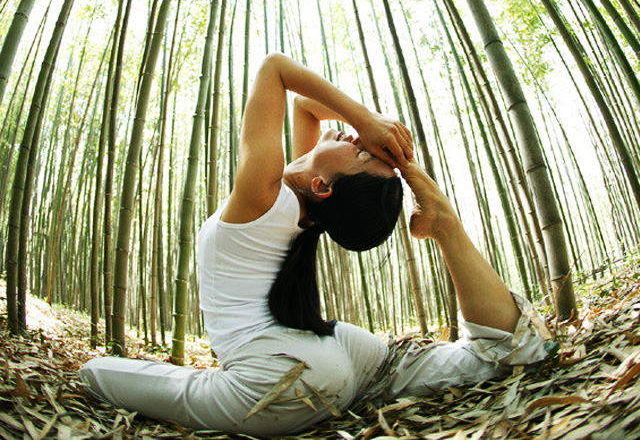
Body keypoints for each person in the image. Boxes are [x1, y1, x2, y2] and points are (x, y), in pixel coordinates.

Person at [80, 53, 551, 436]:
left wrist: (364, 118)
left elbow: (274, 69)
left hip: (280, 378)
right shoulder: (301, 205)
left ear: (324, 186)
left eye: (360, 152)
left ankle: (445, 224)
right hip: (345, 352)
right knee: (502, 355)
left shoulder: (262, 195)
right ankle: (448, 228)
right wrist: (371, 134)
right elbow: (305, 106)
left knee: (96, 372)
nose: (354, 137)